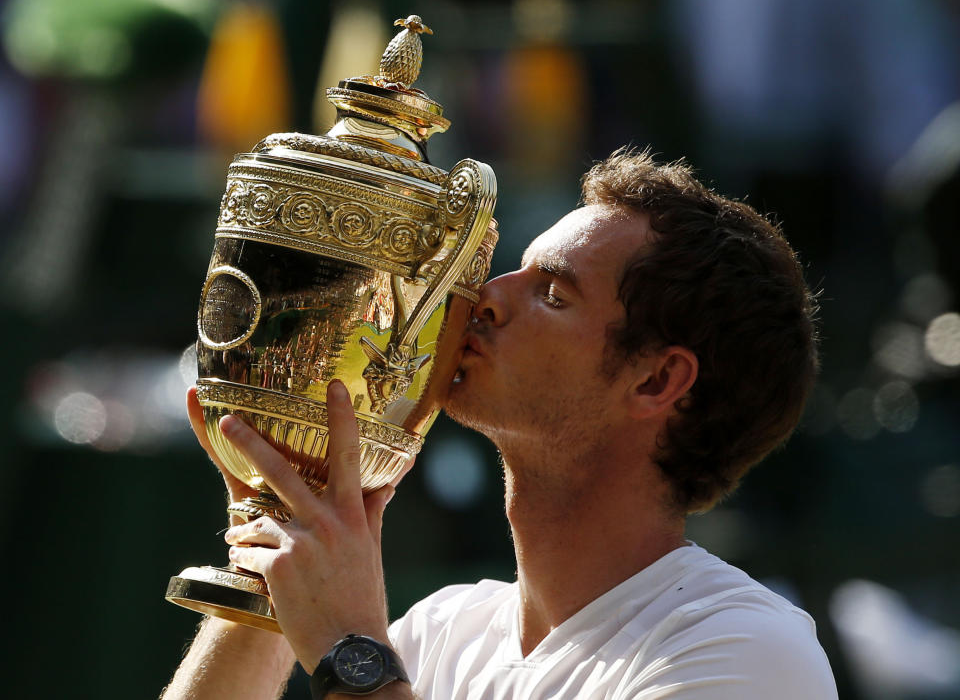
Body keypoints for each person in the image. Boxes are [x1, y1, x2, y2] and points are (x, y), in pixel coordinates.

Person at [162, 149, 837, 699]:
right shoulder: (441, 631)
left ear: (656, 381)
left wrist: (349, 651)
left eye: (551, 293)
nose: (484, 298)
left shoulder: (749, 653)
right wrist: (277, 563)